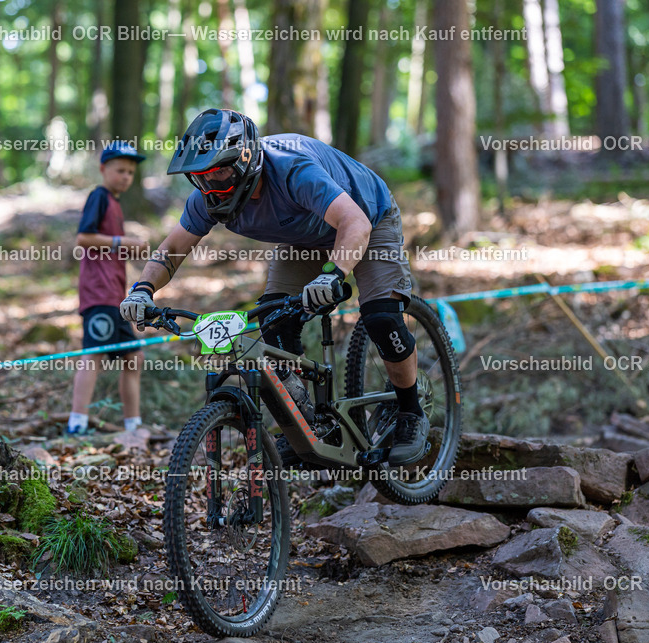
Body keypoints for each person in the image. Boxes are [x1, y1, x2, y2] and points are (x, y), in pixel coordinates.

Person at [119, 109, 428, 464]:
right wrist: (143, 289)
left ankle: (410, 411)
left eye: (219, 172)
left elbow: (353, 222)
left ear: (246, 160)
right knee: (276, 321)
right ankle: (311, 428)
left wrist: (334, 273)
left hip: (367, 219)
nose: (211, 185)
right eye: (201, 177)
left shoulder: (292, 169)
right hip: (303, 237)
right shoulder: (208, 198)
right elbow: (172, 248)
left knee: (381, 318)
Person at [68, 142, 150, 435]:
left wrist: (130, 250)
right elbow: (84, 238)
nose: (126, 176)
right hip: (98, 294)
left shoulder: (115, 204)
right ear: (103, 169)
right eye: (120, 170)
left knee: (134, 357)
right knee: (94, 355)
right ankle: (76, 424)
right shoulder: (99, 197)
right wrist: (121, 242)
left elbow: (108, 246)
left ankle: (133, 425)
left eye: (130, 172)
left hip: (117, 297)